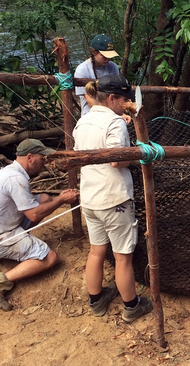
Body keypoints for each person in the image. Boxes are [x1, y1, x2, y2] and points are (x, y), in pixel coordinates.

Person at [72, 75, 152, 323]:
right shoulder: (114, 123)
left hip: (90, 198)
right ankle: (132, 305)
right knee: (122, 256)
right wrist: (139, 155)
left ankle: (96, 299)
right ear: (111, 98)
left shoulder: (82, 122)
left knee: (96, 251)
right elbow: (117, 159)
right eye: (124, 99)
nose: (126, 104)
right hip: (114, 199)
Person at [0, 139, 79, 311]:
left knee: (43, 198)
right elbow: (34, 214)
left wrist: (55, 200)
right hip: (3, 235)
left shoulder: (9, 171)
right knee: (49, 258)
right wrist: (61, 200)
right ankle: (2, 282)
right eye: (42, 158)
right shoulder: (15, 178)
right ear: (30, 157)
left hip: (4, 223)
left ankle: (22, 240)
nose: (45, 162)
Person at [74, 34, 121, 116]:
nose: (108, 59)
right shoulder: (82, 69)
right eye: (104, 56)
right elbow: (90, 100)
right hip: (91, 115)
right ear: (94, 52)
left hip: (112, 114)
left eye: (109, 56)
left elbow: (117, 94)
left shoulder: (113, 67)